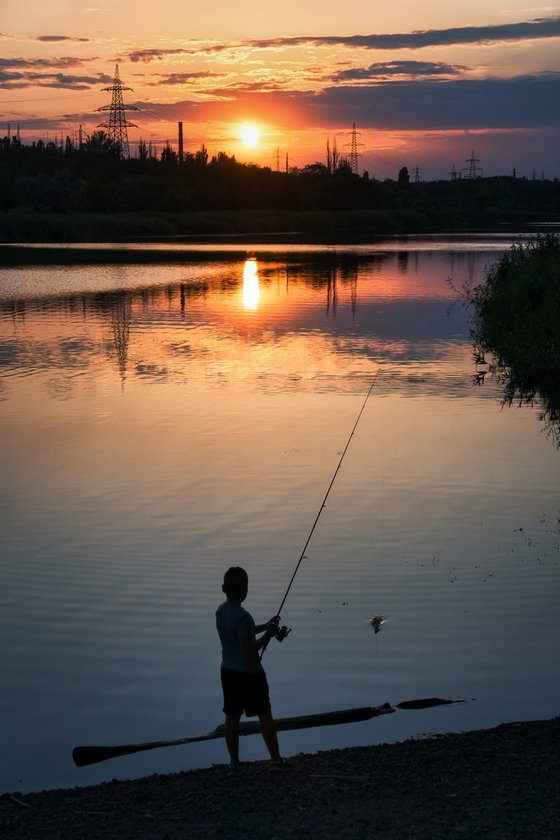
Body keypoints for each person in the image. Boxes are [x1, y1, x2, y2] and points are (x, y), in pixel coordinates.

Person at [216, 566, 286, 772]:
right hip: (250, 674)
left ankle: (234, 762)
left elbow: (241, 634)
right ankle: (275, 759)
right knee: (264, 714)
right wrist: (269, 634)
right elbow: (248, 648)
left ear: (223, 588)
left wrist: (265, 625)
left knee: (232, 715)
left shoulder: (221, 611)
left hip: (227, 671)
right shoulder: (243, 616)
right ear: (245, 590)